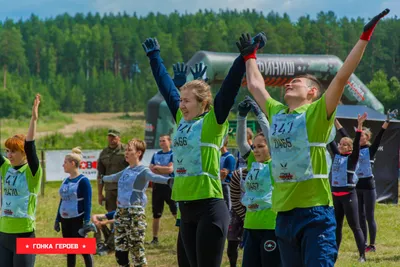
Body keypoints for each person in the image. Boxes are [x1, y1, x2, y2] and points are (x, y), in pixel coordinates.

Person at [239, 9, 389, 266]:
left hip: (315, 214)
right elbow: (255, 86)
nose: (288, 83)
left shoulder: (318, 112)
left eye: (295, 81)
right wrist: (250, 56)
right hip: (283, 215)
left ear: (312, 92)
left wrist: (364, 36)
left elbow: (341, 77)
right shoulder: (277, 112)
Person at [142, 33, 261, 267]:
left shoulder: (212, 123)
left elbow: (228, 90)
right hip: (185, 208)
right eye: (181, 100)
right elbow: (166, 88)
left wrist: (243, 57)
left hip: (209, 207)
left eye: (187, 101)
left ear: (203, 103)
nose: (181, 104)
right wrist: (154, 57)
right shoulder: (182, 120)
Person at [102, 138, 173, 267]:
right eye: (126, 150)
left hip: (135, 214)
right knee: (120, 253)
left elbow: (155, 177)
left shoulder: (143, 170)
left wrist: (169, 181)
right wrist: (102, 178)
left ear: (139, 153)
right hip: (121, 213)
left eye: (129, 150)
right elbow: (113, 178)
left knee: (136, 251)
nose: (126, 153)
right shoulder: (126, 170)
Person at [335, 108, 397, 253]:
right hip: (356, 186)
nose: (360, 136)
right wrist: (333, 119)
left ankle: (372, 245)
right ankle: (363, 244)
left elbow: (380, 135)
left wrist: (387, 121)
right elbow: (342, 132)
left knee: (369, 216)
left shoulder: (370, 149)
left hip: (369, 186)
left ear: (367, 138)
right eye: (359, 135)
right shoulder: (353, 149)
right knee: (360, 217)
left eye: (363, 135)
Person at [236, 97, 281, 266]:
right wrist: (241, 117)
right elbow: (241, 143)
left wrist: (260, 115)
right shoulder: (252, 163)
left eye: (261, 146)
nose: (256, 150)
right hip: (251, 225)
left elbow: (271, 138)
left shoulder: (275, 163)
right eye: (254, 146)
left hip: (271, 226)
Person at [0, 94, 42, 267]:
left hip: (24, 234)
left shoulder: (32, 172)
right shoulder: (5, 168)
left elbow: (31, 147)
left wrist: (33, 119)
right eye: (7, 151)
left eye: (13, 152)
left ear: (23, 153)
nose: (8, 155)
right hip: (3, 232)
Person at [330, 113, 367, 262]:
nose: (341, 146)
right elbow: (329, 138)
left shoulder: (352, 158)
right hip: (336, 196)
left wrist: (359, 126)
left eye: (345, 144)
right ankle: (335, 253)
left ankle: (362, 255)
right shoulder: (336, 155)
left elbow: (357, 143)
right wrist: (329, 120)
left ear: (350, 148)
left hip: (348, 195)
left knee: (355, 226)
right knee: (337, 227)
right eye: (340, 144)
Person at [54, 147, 93, 267]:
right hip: (65, 220)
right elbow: (62, 201)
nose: (63, 165)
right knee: (70, 250)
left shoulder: (83, 181)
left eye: (65, 162)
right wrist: (57, 219)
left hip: (77, 219)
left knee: (83, 249)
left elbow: (88, 202)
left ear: (72, 163)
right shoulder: (65, 180)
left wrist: (86, 220)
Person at [149, 134, 177, 245]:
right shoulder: (155, 154)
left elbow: (170, 169)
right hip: (157, 186)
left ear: (169, 142)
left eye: (164, 141)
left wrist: (158, 168)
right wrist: (162, 169)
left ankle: (184, 235)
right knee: (156, 214)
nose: (161, 143)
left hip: (169, 185)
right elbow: (151, 169)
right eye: (160, 141)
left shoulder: (173, 154)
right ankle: (155, 238)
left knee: (175, 211)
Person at [97, 128, 129, 212]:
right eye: (110, 137)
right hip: (110, 189)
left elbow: (133, 168)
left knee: (124, 212)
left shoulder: (126, 150)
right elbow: (100, 175)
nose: (111, 139)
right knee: (111, 213)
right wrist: (100, 194)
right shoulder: (103, 153)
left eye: (114, 137)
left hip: (124, 188)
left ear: (119, 138)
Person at [220, 137, 236, 211]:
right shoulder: (220, 156)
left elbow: (224, 174)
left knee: (227, 206)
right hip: (220, 185)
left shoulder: (229, 157)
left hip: (226, 185)